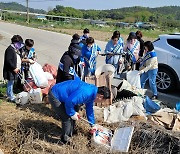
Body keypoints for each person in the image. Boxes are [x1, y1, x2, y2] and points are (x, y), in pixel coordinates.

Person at [48, 77, 110, 144]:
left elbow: (89, 110)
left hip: (66, 95)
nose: (101, 102)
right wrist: (72, 113)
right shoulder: (87, 93)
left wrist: (92, 124)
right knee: (66, 117)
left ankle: (70, 131)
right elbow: (69, 102)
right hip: (55, 94)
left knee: (75, 109)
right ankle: (65, 140)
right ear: (100, 96)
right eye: (102, 101)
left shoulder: (93, 93)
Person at [3, 35, 23, 102]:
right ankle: (10, 96)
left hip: (13, 70)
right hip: (10, 70)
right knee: (10, 82)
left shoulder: (14, 49)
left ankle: (10, 94)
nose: (20, 45)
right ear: (15, 43)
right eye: (19, 44)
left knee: (12, 82)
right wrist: (14, 68)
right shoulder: (10, 50)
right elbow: (8, 61)